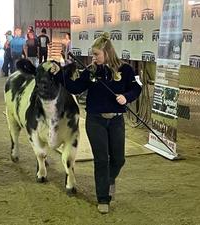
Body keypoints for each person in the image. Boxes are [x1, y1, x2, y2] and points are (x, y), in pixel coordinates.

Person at [52, 32, 142, 214]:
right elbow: (76, 87)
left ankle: (109, 180)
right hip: (95, 121)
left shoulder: (125, 70)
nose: (93, 58)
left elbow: (136, 88)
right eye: (93, 54)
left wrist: (126, 97)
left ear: (107, 53)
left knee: (119, 159)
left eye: (96, 54)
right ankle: (103, 198)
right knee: (101, 159)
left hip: (116, 120)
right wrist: (61, 76)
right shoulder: (91, 71)